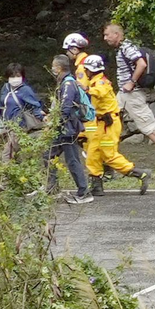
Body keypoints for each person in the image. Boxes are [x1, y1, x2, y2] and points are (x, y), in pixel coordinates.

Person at [103, 23, 155, 172]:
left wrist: (131, 82)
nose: (105, 38)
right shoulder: (122, 49)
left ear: (116, 35)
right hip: (124, 94)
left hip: (132, 94)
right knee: (108, 118)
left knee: (146, 126)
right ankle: (104, 155)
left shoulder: (127, 48)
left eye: (107, 35)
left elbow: (141, 64)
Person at [82, 55, 151, 196]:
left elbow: (99, 93)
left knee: (109, 155)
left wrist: (85, 89)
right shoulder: (94, 82)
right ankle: (96, 186)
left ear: (90, 70)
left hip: (109, 124)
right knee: (93, 153)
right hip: (100, 124)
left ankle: (140, 173)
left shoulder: (101, 83)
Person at [45, 55, 93, 204]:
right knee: (48, 155)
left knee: (72, 160)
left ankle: (84, 192)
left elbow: (65, 108)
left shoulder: (68, 84)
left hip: (67, 128)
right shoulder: (65, 83)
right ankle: (52, 188)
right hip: (63, 127)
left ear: (59, 68)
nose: (52, 69)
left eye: (53, 66)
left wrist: (54, 124)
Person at [0, 63, 46, 129]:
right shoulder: (5, 87)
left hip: (19, 126)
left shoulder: (25, 90)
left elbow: (34, 106)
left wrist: (42, 117)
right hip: (4, 125)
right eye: (12, 76)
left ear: (22, 77)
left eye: (18, 76)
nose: (15, 79)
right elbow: (0, 104)